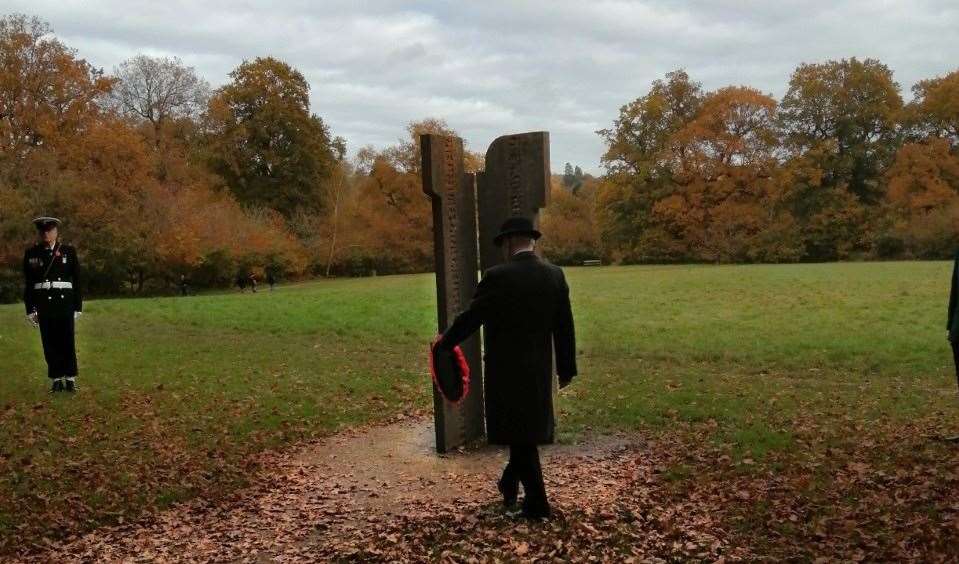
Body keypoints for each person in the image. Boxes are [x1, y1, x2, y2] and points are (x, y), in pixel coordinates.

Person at [433, 216, 577, 519]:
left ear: (509, 242)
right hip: (539, 370)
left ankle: (538, 505)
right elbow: (565, 328)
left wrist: (445, 343)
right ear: (532, 241)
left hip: (505, 371)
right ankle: (510, 483)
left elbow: (473, 317)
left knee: (519, 435)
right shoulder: (555, 276)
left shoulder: (498, 276)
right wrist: (566, 369)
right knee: (523, 432)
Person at [22, 217, 83, 393]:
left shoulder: (68, 252)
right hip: (44, 304)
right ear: (39, 233)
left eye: (49, 230)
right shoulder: (32, 254)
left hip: (65, 302)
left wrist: (78, 306)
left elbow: (77, 280)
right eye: (43, 231)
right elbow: (29, 284)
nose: (46, 234)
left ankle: (70, 378)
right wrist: (30, 309)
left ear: (56, 231)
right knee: (49, 341)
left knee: (67, 340)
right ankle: (56, 378)